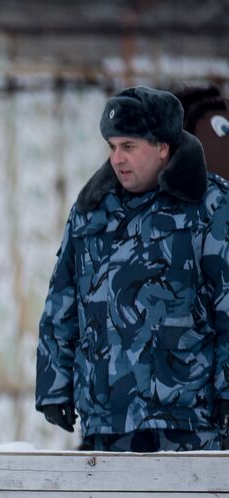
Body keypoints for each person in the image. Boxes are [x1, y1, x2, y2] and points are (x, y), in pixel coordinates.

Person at [36, 86, 229, 451]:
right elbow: (62, 299)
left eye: (129, 147)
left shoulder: (211, 205)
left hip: (185, 420)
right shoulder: (91, 210)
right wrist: (54, 385)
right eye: (111, 147)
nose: (117, 159)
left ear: (162, 147)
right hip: (107, 419)